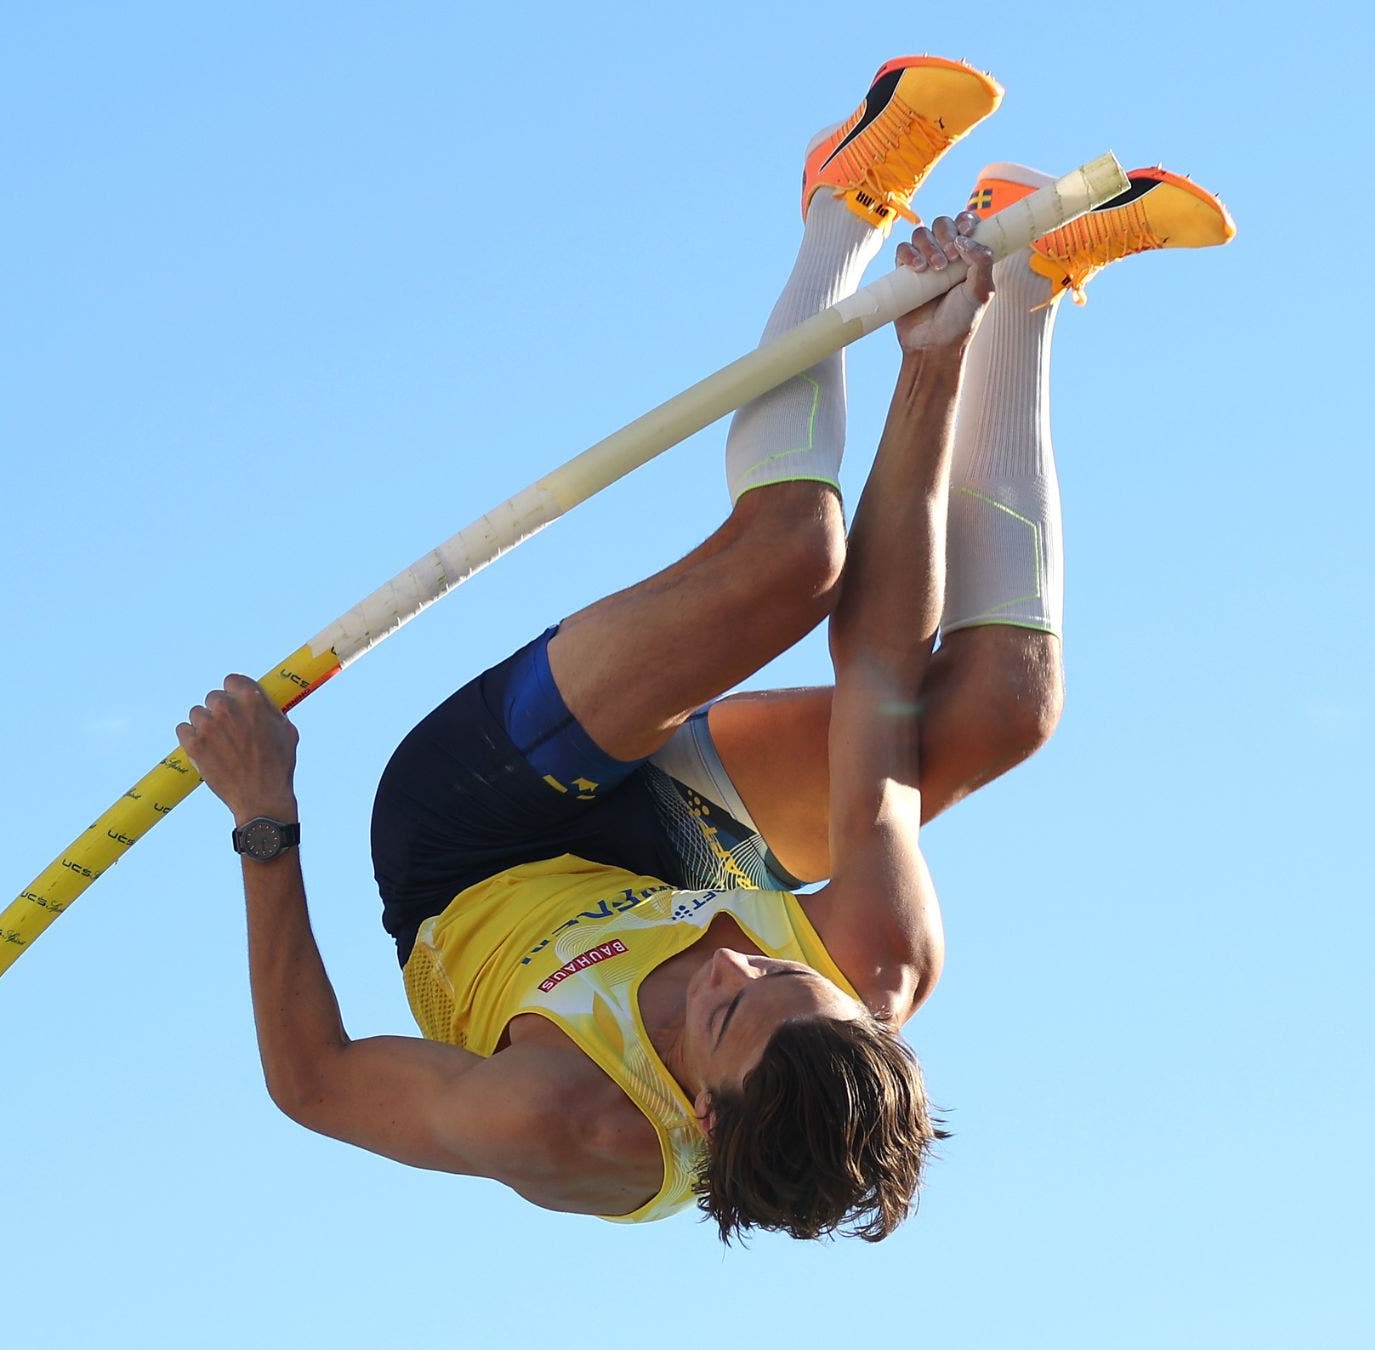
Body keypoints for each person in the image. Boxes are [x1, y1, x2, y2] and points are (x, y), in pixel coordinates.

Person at [175, 56, 1234, 1241]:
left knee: (788, 555)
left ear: (709, 1123)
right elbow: (878, 672)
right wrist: (929, 367)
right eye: (785, 976)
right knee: (1002, 709)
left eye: (726, 1016)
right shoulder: (872, 960)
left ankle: (842, 210)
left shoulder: (574, 1124)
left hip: (469, 851)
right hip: (660, 854)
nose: (733, 960)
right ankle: (1021, 277)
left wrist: (265, 822)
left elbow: (314, 1082)